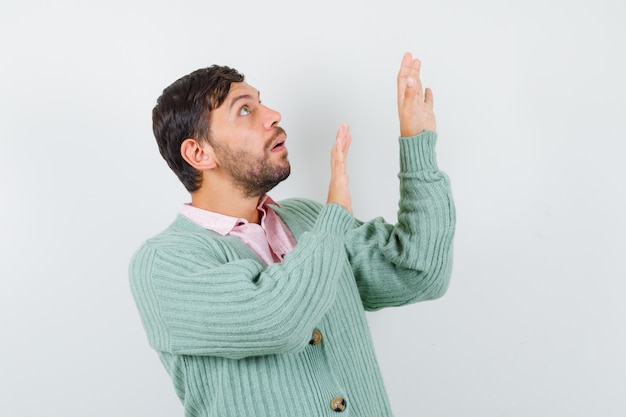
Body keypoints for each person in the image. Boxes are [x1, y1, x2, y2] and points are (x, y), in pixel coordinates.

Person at [129, 52, 456, 417]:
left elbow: (420, 271)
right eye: (244, 110)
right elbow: (279, 319)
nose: (273, 115)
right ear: (199, 152)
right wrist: (335, 216)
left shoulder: (307, 219)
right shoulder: (164, 264)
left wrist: (419, 148)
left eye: (261, 102)